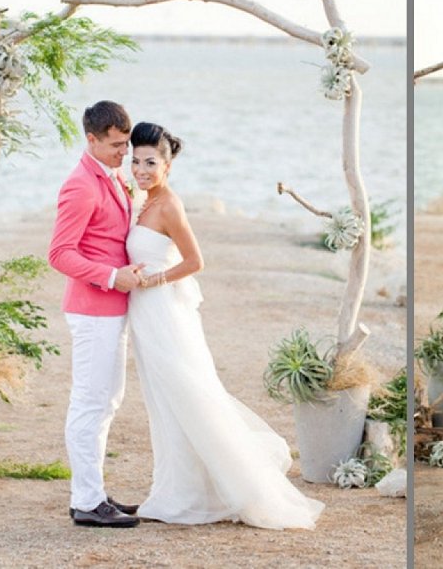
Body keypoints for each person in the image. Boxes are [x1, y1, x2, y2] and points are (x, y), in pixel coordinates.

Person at [125, 121, 324, 529]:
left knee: (189, 398)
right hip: (147, 316)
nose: (140, 169)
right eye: (135, 161)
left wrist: (153, 280)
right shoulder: (144, 200)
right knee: (164, 405)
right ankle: (176, 491)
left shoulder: (168, 205)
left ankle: (220, 492)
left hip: (165, 314)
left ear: (167, 165)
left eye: (149, 162)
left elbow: (195, 262)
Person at [49, 100, 145, 528]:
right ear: (91, 139)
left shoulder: (111, 176)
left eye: (125, 145)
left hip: (111, 309)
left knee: (107, 401)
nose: (122, 154)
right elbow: (59, 254)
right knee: (90, 404)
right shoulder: (80, 185)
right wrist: (110, 276)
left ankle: (93, 492)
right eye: (115, 146)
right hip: (92, 311)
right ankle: (86, 502)